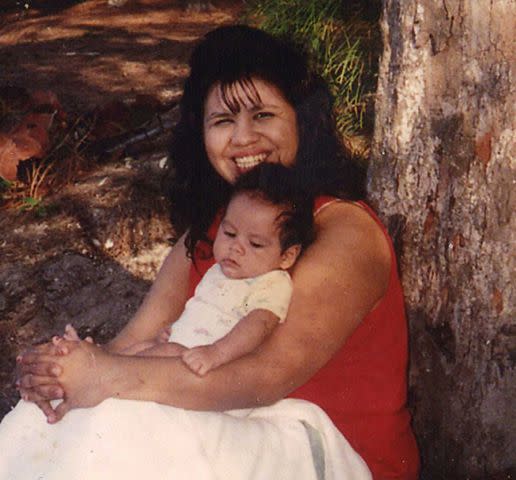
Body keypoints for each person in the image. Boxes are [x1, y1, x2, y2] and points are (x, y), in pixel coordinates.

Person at [10, 25, 419, 479]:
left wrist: (106, 376)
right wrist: (60, 369)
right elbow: (127, 344)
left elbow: (267, 375)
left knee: (122, 421)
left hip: (331, 450)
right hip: (225, 422)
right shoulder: (210, 232)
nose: (243, 138)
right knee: (41, 420)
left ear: (302, 121)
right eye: (223, 121)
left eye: (263, 115)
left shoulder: (343, 229)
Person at [61, 164, 314, 377]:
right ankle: (93, 358)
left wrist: (216, 354)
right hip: (184, 350)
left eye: (255, 244)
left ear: (287, 256)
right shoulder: (220, 271)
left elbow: (259, 325)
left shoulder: (271, 283)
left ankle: (96, 369)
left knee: (156, 356)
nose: (235, 248)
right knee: (145, 348)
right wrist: (175, 329)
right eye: (229, 233)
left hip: (214, 368)